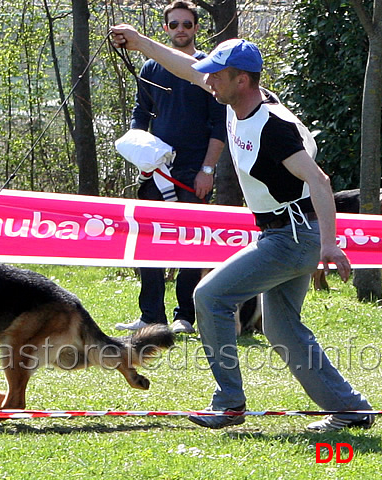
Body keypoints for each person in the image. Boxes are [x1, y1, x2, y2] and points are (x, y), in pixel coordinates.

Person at [110, 25, 375, 432]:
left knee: (210, 295)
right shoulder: (232, 96)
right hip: (281, 231)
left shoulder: (272, 127)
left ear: (243, 79)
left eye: (217, 74)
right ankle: (350, 407)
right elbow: (185, 67)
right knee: (280, 326)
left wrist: (329, 244)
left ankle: (229, 403)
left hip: (292, 235)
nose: (208, 79)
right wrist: (139, 41)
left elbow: (320, 182)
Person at [115, 1, 226, 335]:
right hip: (156, 169)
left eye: (187, 25)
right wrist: (137, 144)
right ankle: (151, 315)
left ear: (195, 28)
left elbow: (219, 125)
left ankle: (185, 316)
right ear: (166, 29)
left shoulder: (207, 68)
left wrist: (207, 170)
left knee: (191, 243)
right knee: (146, 241)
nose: (181, 30)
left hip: (194, 171)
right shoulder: (150, 68)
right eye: (174, 24)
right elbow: (141, 111)